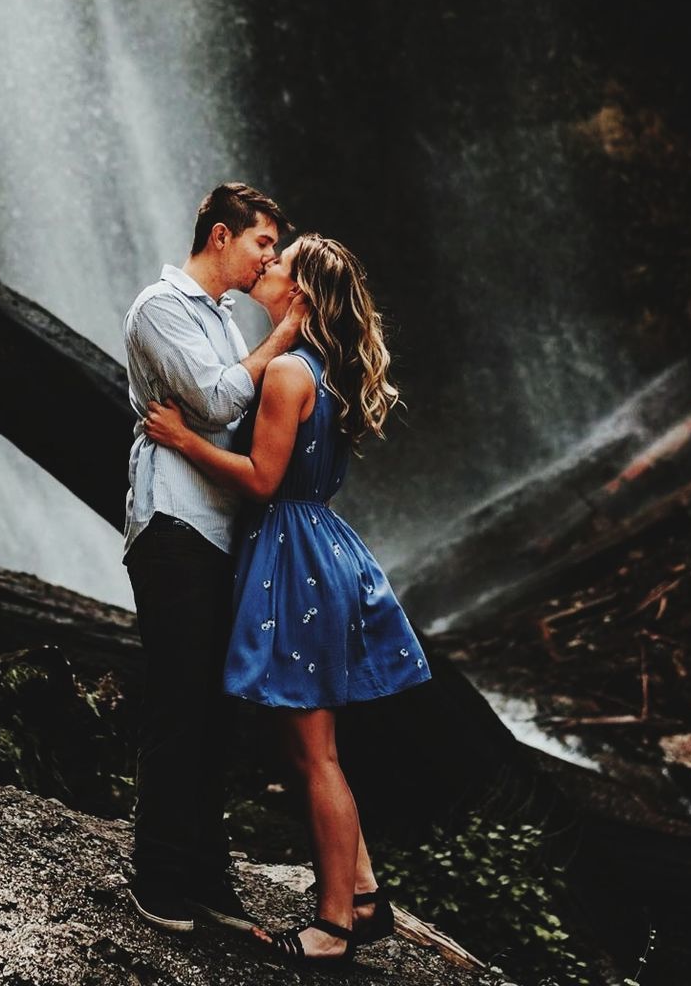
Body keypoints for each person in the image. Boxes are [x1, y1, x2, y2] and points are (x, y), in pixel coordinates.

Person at [144, 233, 431, 965]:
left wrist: (182, 439)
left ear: (298, 295)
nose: (265, 268)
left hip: (294, 558)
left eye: (279, 264)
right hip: (320, 547)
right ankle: (362, 893)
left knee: (314, 757)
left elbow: (263, 479)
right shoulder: (323, 368)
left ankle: (333, 927)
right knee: (309, 746)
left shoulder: (287, 378)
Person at [122, 182, 306, 935]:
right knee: (179, 702)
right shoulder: (160, 308)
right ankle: (155, 875)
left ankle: (202, 874)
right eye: (264, 241)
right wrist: (281, 339)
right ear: (222, 235)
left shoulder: (222, 320)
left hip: (222, 529)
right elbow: (222, 399)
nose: (269, 257)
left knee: (213, 711)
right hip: (173, 523)